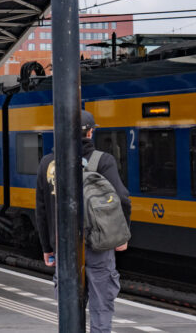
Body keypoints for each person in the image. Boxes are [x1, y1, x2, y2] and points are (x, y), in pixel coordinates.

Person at [36, 110, 131, 333]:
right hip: (98, 245)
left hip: (64, 245)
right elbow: (122, 199)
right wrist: (122, 235)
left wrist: (47, 247)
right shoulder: (103, 160)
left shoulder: (47, 163)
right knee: (101, 305)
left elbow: (40, 210)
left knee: (68, 307)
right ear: (90, 132)